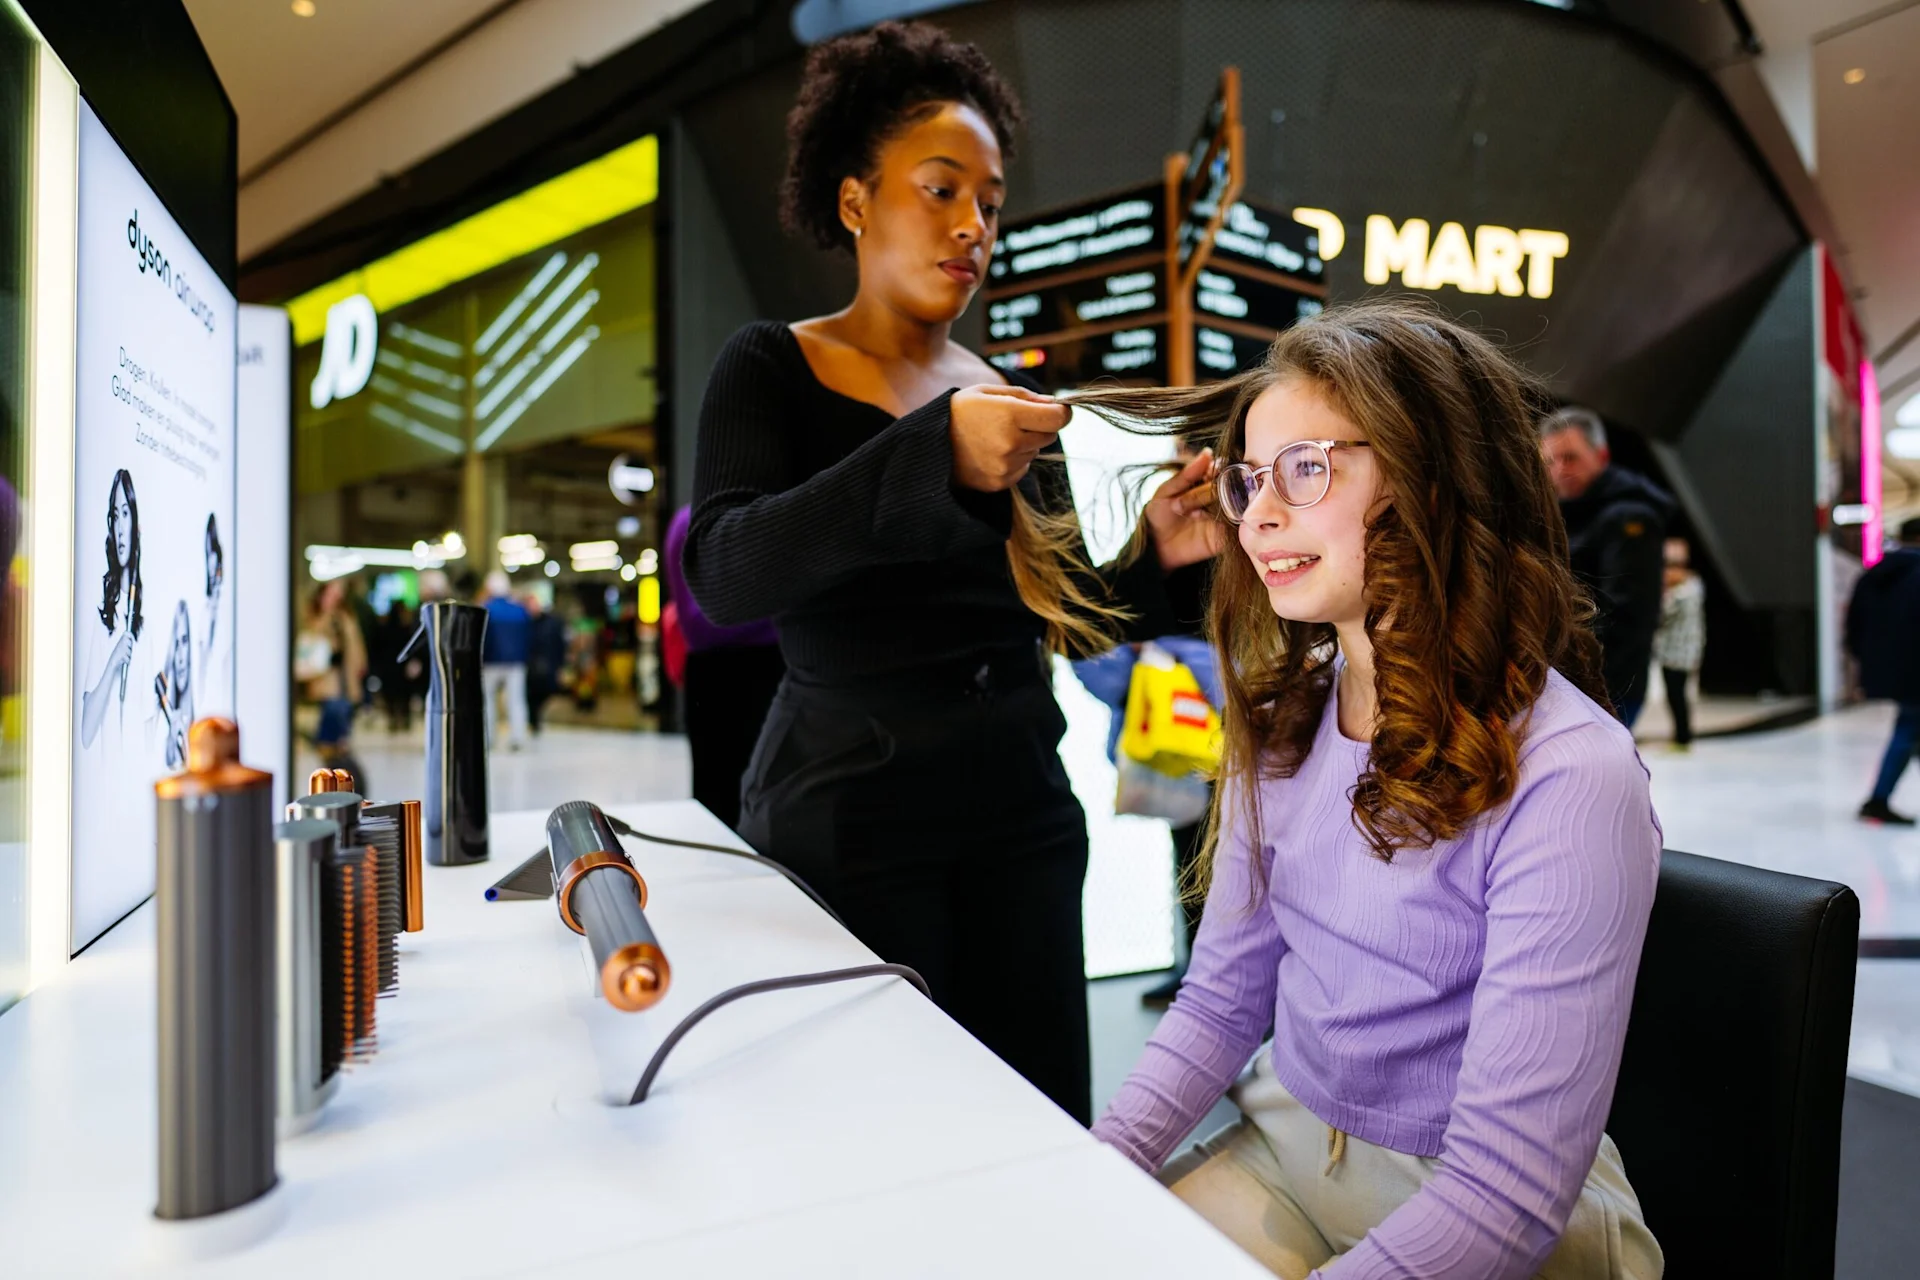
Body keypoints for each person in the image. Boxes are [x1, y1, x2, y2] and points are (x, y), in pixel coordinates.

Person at [684, 21, 1218, 1125]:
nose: (972, 224)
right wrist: (928, 451)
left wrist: (1163, 559)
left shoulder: (1006, 395)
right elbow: (728, 570)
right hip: (849, 816)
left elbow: (1064, 615)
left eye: (989, 201)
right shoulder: (773, 366)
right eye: (940, 189)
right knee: (878, 1138)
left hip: (1021, 812)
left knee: (1035, 1125)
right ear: (853, 201)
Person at [1079, 300, 1662, 1278]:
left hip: (1484, 1212)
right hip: (1288, 1139)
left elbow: (1502, 1200)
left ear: (1433, 476)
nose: (1258, 513)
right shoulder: (1285, 714)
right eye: (1250, 477)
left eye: (1306, 468)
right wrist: (1087, 1176)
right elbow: (1220, 1000)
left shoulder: (1573, 772)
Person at [1539, 407, 1671, 726]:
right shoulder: (1561, 513)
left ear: (1602, 455)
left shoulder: (1629, 517)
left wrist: (1591, 686)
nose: (1560, 470)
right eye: (1550, 461)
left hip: (1606, 687)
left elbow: (1626, 616)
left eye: (1571, 458)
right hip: (1569, 681)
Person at [664, 504, 785, 830]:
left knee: (729, 789)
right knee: (725, 792)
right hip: (732, 670)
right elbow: (700, 624)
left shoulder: (690, 521)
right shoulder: (695, 521)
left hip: (731, 669)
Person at [1847, 517, 1920, 825]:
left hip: (1893, 669)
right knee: (1907, 730)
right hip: (1917, 669)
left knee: (1908, 728)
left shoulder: (1875, 573)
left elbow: (1854, 623)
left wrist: (1865, 660)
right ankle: (1877, 799)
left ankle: (1879, 798)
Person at [80, 469, 147, 753]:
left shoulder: (147, 625)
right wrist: (113, 661)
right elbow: (85, 732)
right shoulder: (102, 618)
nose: (120, 528)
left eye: (125, 513)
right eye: (114, 516)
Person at [303, 579, 368, 784]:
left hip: (346, 682)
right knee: (333, 724)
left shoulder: (347, 618)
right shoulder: (316, 619)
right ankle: (331, 768)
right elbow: (310, 644)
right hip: (327, 682)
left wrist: (360, 668)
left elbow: (357, 648)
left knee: (341, 728)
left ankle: (338, 772)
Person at [1653, 537, 1705, 749]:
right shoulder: (1693, 588)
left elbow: (1663, 615)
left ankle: (1682, 737)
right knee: (1678, 696)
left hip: (1677, 654)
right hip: (1680, 652)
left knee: (1676, 696)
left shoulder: (1682, 593)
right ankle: (1681, 736)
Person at [479, 570, 531, 751]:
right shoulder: (520, 610)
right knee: (516, 700)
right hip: (516, 662)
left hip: (491, 662)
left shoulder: (486, 609)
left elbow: (482, 638)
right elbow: (529, 637)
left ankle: (488, 737)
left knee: (487, 701)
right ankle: (518, 737)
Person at [525, 592, 567, 735]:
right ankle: (533, 719)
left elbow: (559, 644)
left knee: (548, 690)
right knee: (530, 694)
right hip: (530, 665)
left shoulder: (552, 623)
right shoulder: (525, 623)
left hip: (548, 663)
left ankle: (535, 715)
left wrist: (561, 664)